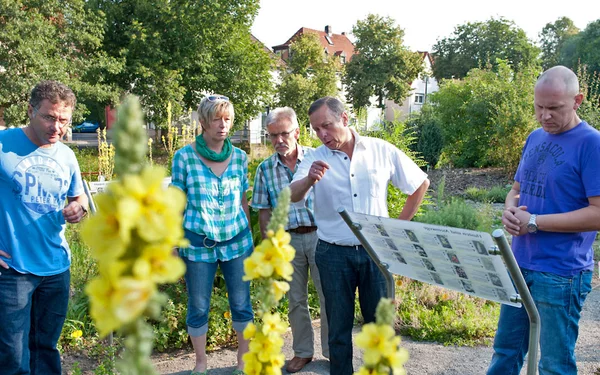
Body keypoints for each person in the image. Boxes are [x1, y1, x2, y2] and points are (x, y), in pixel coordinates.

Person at [289, 96, 430, 375]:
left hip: (375, 252)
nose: (322, 134)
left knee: (379, 328)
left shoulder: (381, 150)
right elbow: (292, 196)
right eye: (316, 129)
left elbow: (420, 184)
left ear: (344, 119)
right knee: (338, 330)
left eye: (326, 126)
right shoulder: (315, 158)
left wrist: (396, 229)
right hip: (332, 253)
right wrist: (308, 180)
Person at [488, 65, 600, 375]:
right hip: (519, 264)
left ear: (578, 100)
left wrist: (535, 222)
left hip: (561, 273)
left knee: (555, 365)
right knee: (505, 354)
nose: (544, 116)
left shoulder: (593, 144)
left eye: (554, 108)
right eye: (538, 107)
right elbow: (516, 190)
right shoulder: (535, 138)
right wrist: (510, 210)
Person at [0, 80, 89, 375]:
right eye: (49, 117)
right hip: (12, 270)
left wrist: (79, 208)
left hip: (55, 268)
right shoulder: (3, 145)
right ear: (31, 111)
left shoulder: (66, 155)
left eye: (64, 120)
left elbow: (80, 199)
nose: (56, 127)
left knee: (46, 351)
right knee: (13, 358)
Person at [171, 95, 253, 375]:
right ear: (204, 122)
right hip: (198, 244)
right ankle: (201, 363)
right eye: (217, 118)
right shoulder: (184, 157)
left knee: (242, 304)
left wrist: (251, 239)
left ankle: (243, 361)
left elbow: (243, 202)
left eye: (227, 119)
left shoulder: (241, 157)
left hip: (237, 242)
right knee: (198, 305)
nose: (223, 125)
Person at [250, 107, 328, 372]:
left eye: (284, 134)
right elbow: (264, 211)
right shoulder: (265, 169)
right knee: (296, 300)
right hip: (288, 241)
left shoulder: (318, 158)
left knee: (330, 295)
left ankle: (332, 351)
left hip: (322, 236)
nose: (278, 140)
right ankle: (303, 352)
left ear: (296, 132)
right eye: (273, 136)